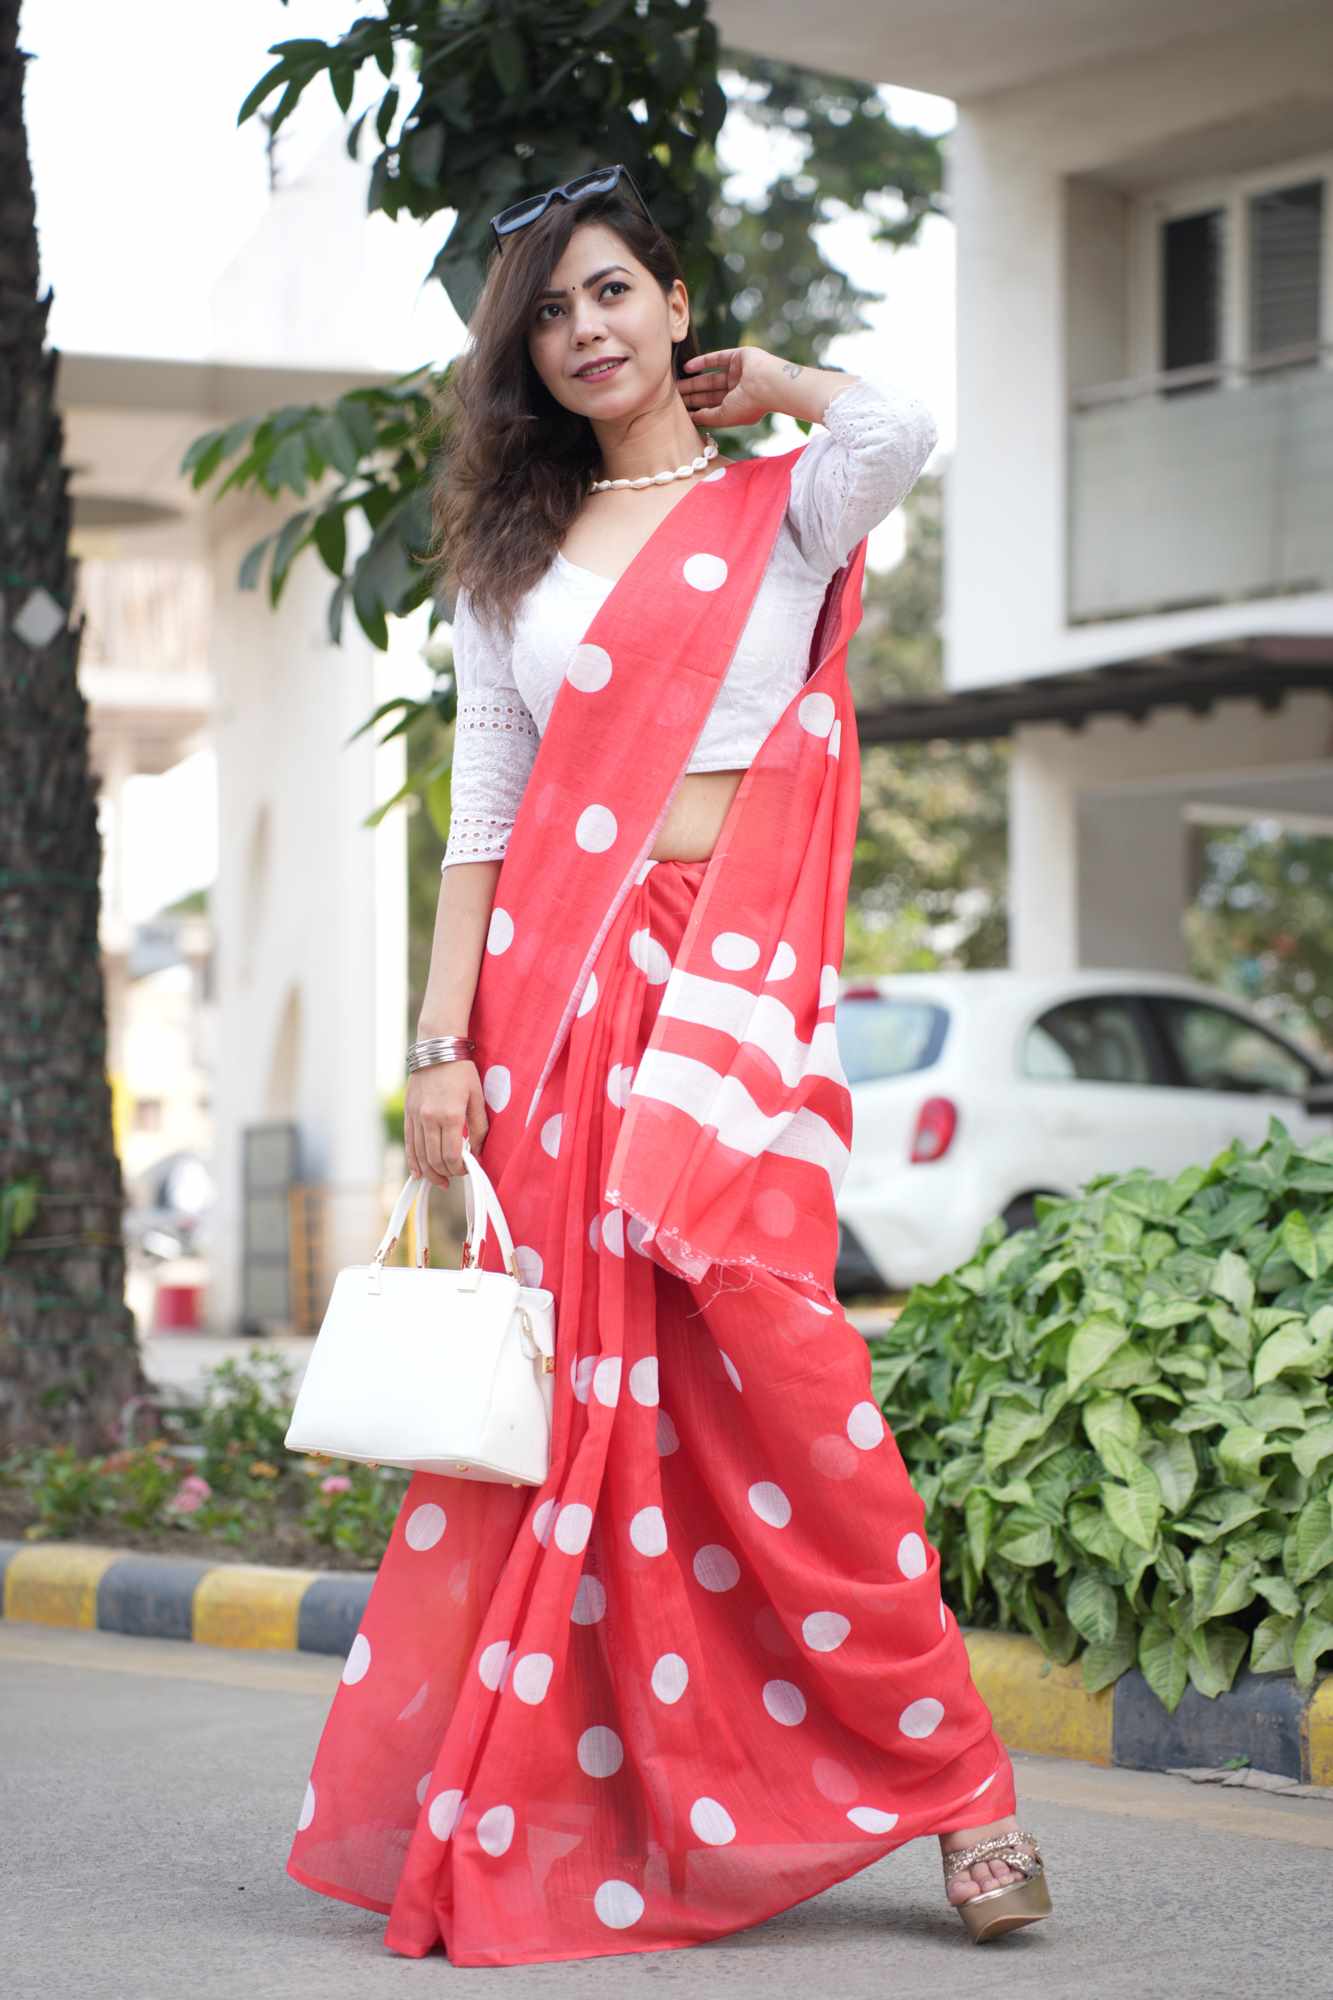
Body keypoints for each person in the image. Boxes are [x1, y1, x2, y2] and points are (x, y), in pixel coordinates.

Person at [285, 164, 1052, 1967]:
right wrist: (439, 1049)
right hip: (559, 1008)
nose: (586, 332)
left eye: (613, 292)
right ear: (522, 357)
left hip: (732, 1000)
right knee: (592, 1424)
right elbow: (482, 811)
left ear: (676, 304)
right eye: (549, 315)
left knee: (790, 1385)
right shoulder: (512, 564)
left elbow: (899, 423)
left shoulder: (786, 508)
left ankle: (965, 1793)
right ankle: (596, 1802)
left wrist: (772, 382)